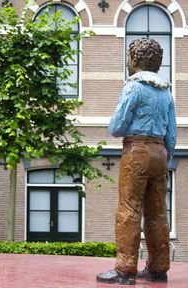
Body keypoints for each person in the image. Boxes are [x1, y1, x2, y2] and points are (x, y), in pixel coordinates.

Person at [97, 38, 176, 285]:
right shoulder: (167, 92)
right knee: (157, 212)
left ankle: (125, 270)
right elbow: (172, 134)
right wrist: (164, 158)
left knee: (129, 209)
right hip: (160, 153)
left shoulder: (133, 87)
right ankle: (158, 268)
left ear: (134, 60)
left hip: (137, 150)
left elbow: (116, 127)